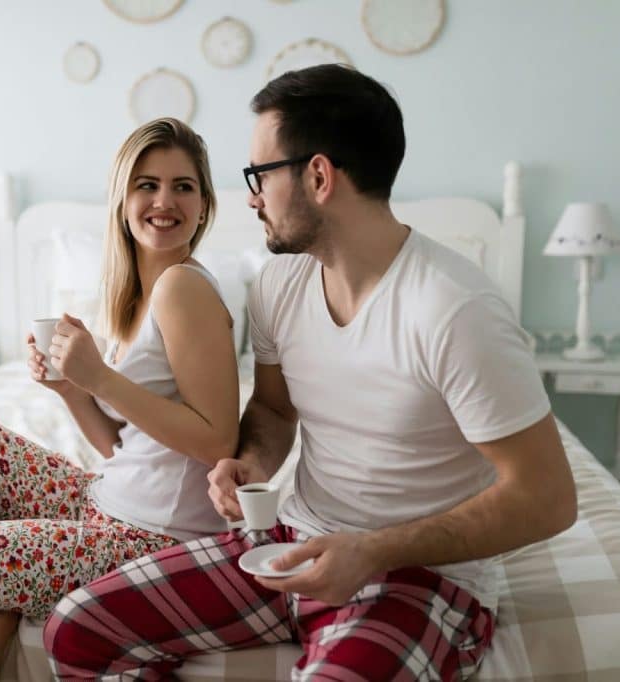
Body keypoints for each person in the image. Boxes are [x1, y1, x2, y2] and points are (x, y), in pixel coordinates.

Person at [43, 64, 578, 680]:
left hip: (417, 578)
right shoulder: (281, 282)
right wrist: (252, 463)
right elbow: (273, 410)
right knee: (78, 629)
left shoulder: (455, 310)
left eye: (259, 176)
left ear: (318, 176)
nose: (250, 197)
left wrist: (373, 549)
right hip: (292, 542)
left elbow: (548, 499)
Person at [0, 117, 240, 682]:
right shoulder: (137, 295)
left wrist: (100, 378)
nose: (164, 201)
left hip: (148, 540)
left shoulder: (184, 287)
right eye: (146, 184)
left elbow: (217, 441)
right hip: (107, 502)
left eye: (183, 186)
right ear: (121, 198)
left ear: (205, 204)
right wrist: (72, 389)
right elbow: (124, 445)